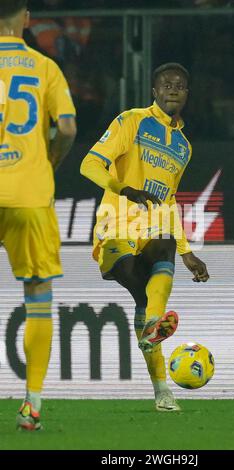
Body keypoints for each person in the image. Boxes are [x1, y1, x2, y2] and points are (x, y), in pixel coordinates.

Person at [80, 62, 209, 411]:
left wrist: (186, 253)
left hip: (151, 228)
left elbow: (167, 202)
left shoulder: (183, 146)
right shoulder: (131, 121)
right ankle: (152, 323)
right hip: (115, 226)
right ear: (154, 91)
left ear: (186, 94)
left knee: (164, 243)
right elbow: (89, 165)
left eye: (179, 85)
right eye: (166, 83)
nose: (172, 88)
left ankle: (162, 390)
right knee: (137, 283)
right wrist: (125, 189)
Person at [0, 0, 77, 430]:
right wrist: (51, 159)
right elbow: (66, 127)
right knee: (37, 295)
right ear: (26, 19)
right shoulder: (44, 67)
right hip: (29, 192)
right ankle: (31, 405)